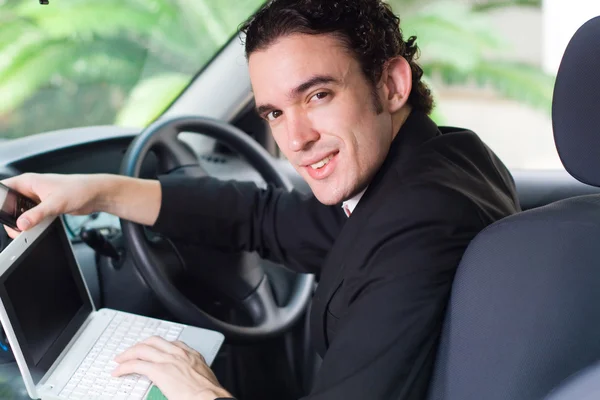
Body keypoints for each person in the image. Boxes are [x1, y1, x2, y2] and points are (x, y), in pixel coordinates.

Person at [2, 0, 521, 399]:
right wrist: (98, 191)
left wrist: (201, 389)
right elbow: (265, 219)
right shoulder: (437, 159)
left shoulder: (419, 227)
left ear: (390, 84)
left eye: (317, 96)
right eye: (274, 113)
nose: (295, 140)